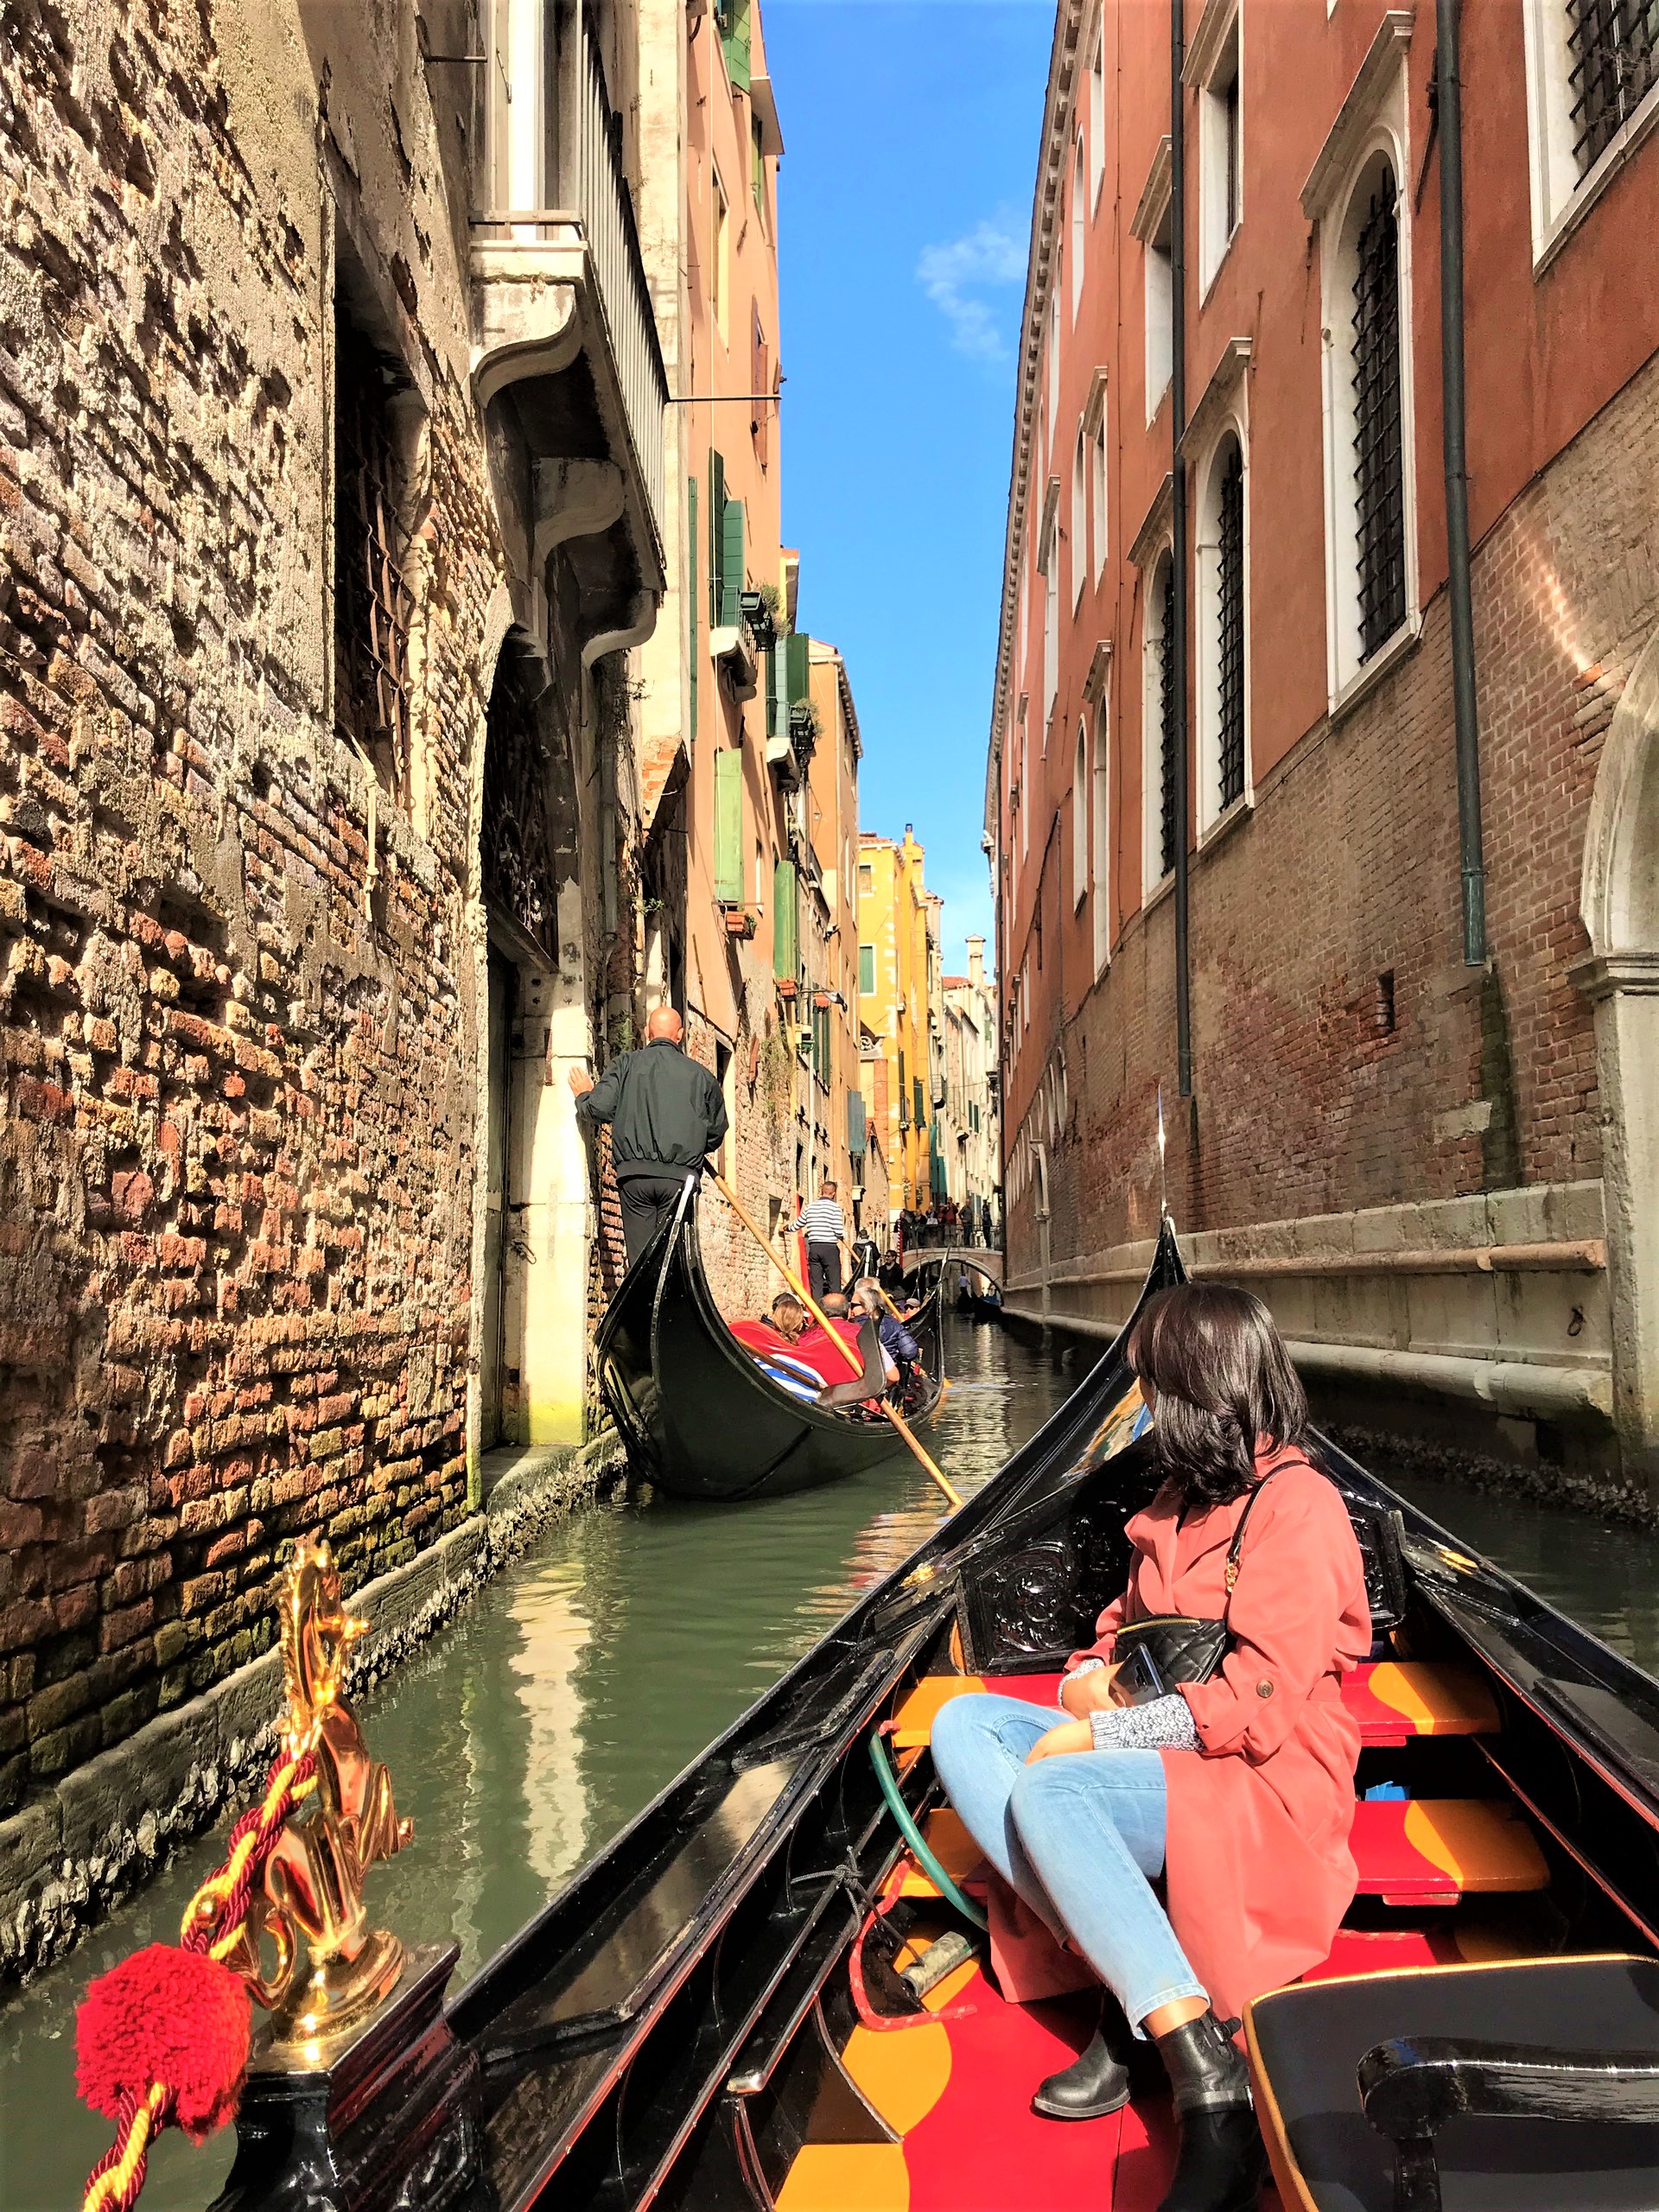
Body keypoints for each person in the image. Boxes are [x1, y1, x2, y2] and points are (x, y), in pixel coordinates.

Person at [931, 1284, 1370, 2212]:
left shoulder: (1300, 1507)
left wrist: (1102, 1730)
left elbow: (1256, 1703)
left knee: (1052, 1791)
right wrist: (1082, 1684)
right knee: (963, 1728)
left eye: (1153, 1390)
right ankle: (1175, 2020)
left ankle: (1207, 2089)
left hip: (1259, 1783)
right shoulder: (1171, 1502)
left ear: (1199, 1391)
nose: (1142, 1408)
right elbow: (1114, 1634)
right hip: (1156, 1757)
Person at [568, 1007, 728, 1270]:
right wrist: (693, 1147)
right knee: (673, 1262)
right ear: (680, 1034)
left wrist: (585, 1095)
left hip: (635, 1179)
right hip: (680, 1180)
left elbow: (599, 1108)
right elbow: (716, 1133)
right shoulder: (702, 1077)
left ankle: (643, 1295)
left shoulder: (626, 1065)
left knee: (641, 1262)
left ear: (646, 1033)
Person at [793, 1178, 852, 1303]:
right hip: (829, 1248)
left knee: (816, 1283)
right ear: (833, 1194)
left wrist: (787, 1228)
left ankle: (817, 1310)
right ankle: (835, 1308)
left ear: (821, 1191)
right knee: (834, 1283)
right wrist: (840, 1236)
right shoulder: (834, 1207)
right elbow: (838, 1231)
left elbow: (798, 1224)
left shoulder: (810, 1207)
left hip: (814, 1248)